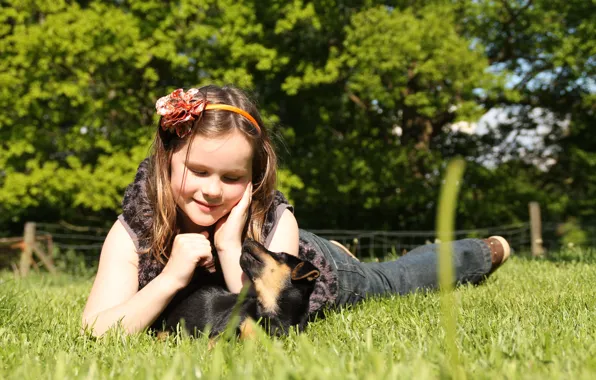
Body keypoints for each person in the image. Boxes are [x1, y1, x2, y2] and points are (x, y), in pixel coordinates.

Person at [81, 85, 510, 337]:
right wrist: (172, 276)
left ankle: (484, 251)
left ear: (254, 173)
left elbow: (273, 322)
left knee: (394, 278)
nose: (212, 191)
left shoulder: (274, 219)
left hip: (315, 271)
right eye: (197, 170)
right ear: (167, 160)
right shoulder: (136, 227)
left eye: (231, 178)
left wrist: (232, 246)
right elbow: (95, 331)